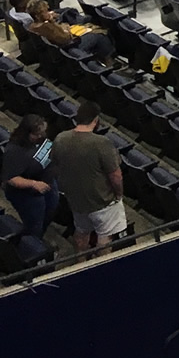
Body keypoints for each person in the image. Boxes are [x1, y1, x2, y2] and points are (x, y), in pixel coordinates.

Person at [57, 100, 125, 250]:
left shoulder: (60, 139)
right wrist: (119, 195)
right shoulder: (102, 143)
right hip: (102, 201)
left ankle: (81, 263)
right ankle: (100, 266)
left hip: (76, 200)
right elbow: (116, 176)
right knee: (105, 237)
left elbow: (56, 166)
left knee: (81, 232)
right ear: (96, 120)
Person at [0, 114, 56, 241]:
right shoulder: (14, 150)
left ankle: (40, 238)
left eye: (42, 132)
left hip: (48, 184)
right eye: (37, 134)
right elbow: (12, 178)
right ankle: (33, 248)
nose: (41, 136)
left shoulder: (41, 138)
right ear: (26, 133)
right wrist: (34, 184)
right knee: (34, 225)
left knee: (49, 214)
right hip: (28, 195)